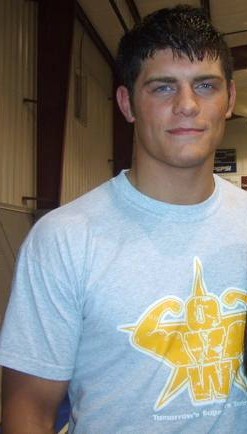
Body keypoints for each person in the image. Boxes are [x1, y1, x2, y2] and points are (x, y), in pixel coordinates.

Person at [0, 4, 247, 433]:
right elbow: (30, 409)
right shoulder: (64, 239)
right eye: (163, 88)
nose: (187, 105)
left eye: (205, 85)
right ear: (126, 103)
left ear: (230, 99)